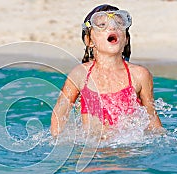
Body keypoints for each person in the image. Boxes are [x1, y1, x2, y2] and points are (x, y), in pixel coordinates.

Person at [50, 4, 163, 137]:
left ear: (126, 39)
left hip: (127, 151)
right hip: (93, 151)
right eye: (102, 25)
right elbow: (59, 114)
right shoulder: (80, 75)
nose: (112, 27)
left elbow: (151, 117)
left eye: (119, 24)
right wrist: (58, 144)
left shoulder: (139, 75)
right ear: (89, 40)